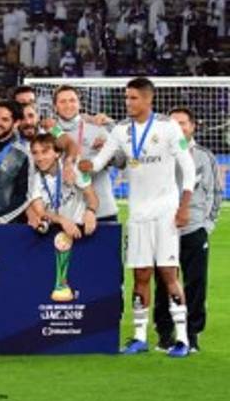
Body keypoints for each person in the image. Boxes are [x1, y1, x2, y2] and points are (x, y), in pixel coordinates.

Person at [80, 77, 196, 357]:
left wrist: (184, 206)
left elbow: (188, 168)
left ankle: (181, 338)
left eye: (133, 98)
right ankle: (139, 337)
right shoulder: (121, 130)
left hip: (166, 212)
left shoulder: (168, 127)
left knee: (168, 273)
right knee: (140, 274)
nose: (128, 103)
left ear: (147, 99)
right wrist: (86, 164)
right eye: (126, 98)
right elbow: (100, 161)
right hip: (137, 213)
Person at [153, 107, 221, 352]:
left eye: (183, 123)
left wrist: (207, 224)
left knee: (195, 284)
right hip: (163, 230)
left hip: (194, 230)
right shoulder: (157, 155)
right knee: (163, 284)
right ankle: (164, 334)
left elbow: (215, 193)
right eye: (173, 123)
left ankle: (192, 336)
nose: (178, 127)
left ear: (192, 126)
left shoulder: (205, 157)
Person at [25, 133, 98, 302]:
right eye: (35, 153)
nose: (40, 157)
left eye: (45, 152)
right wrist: (62, 220)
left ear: (57, 153)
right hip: (52, 235)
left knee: (86, 289)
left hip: (80, 234)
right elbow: (40, 211)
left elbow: (92, 197)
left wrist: (91, 211)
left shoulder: (74, 169)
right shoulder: (33, 179)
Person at [49, 86, 117, 222]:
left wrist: (109, 153)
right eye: (63, 101)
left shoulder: (98, 128)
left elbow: (121, 161)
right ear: (55, 106)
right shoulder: (49, 133)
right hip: (65, 213)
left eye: (72, 100)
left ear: (79, 104)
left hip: (101, 210)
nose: (68, 105)